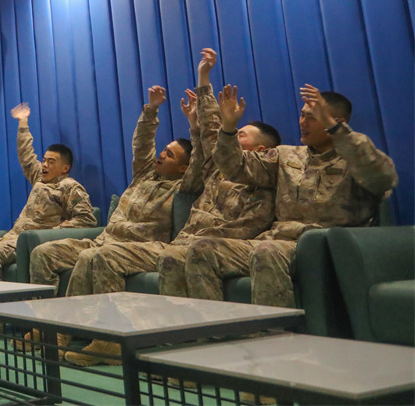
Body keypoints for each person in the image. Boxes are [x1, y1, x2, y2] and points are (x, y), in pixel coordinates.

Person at [67, 50, 280, 304]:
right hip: (177, 244)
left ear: (261, 150)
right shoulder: (211, 172)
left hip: (203, 246)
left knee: (158, 255)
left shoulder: (262, 178)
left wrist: (202, 122)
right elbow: (209, 132)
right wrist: (202, 76)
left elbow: (206, 143)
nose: (161, 155)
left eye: (240, 134)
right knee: (76, 254)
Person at [183, 83, 397, 308]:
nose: (303, 122)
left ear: (337, 122)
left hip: (327, 246)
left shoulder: (355, 160)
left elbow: (383, 177)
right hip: (276, 243)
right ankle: (214, 326)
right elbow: (232, 167)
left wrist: (337, 131)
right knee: (202, 249)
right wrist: (228, 128)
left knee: (267, 252)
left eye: (312, 117)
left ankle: (275, 328)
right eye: (302, 115)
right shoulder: (285, 155)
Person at [28, 84, 193, 365]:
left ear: (184, 168)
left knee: (97, 256)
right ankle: (47, 327)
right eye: (164, 150)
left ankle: (107, 340)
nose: (162, 155)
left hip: (144, 246)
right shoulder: (144, 175)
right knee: (44, 253)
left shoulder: (185, 185)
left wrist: (196, 124)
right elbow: (142, 144)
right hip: (106, 239)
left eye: (170, 154)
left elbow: (204, 162)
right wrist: (151, 110)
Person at [0, 102, 96, 336]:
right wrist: (23, 123)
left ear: (65, 168)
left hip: (30, 242)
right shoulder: (40, 179)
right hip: (11, 238)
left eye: (51, 162)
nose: (44, 164)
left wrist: (53, 232)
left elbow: (87, 219)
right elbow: (26, 156)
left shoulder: (70, 187)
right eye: (44, 160)